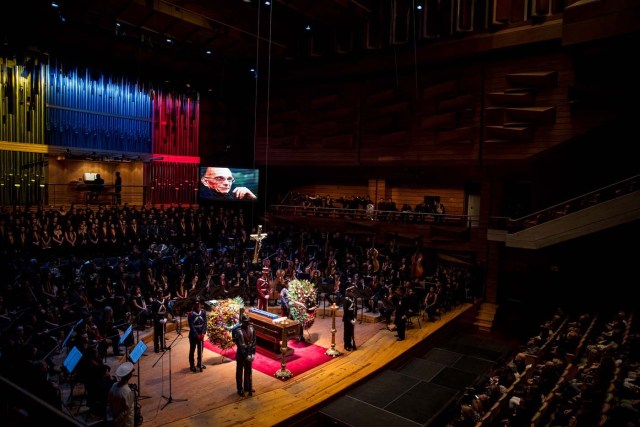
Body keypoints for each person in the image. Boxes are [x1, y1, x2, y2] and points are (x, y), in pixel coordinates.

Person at [232, 312, 256, 397]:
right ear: (242, 322)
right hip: (241, 354)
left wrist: (253, 354)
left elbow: (254, 342)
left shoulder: (252, 328)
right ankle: (240, 389)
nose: (247, 323)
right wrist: (246, 356)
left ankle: (247, 386)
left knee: (248, 371)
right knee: (239, 372)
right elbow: (240, 345)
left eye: (248, 321)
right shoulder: (238, 331)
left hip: (249, 353)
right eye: (245, 322)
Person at [106, 361, 136, 427]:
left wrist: (110, 418)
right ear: (130, 376)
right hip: (125, 422)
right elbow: (126, 411)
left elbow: (109, 403)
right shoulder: (128, 392)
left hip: (114, 417)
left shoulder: (113, 385)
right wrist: (116, 421)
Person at [188, 299, 207, 372]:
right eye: (196, 304)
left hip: (201, 334)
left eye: (198, 304)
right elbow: (191, 326)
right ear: (194, 305)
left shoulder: (203, 312)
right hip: (193, 335)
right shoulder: (191, 314)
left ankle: (200, 363)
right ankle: (192, 365)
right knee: (192, 350)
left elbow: (205, 323)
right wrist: (196, 335)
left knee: (200, 350)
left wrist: (203, 333)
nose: (197, 305)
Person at [151, 288, 167, 353]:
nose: (161, 294)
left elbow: (166, 310)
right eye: (159, 293)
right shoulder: (154, 302)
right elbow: (154, 312)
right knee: (157, 334)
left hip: (163, 319)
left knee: (163, 333)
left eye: (161, 292)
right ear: (157, 294)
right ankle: (156, 347)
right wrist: (158, 320)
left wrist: (166, 318)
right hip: (157, 319)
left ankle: (163, 346)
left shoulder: (164, 300)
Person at [342, 286, 357, 351]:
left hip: (352, 318)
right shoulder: (346, 299)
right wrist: (350, 319)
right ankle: (346, 345)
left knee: (351, 332)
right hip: (347, 319)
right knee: (347, 332)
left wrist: (355, 318)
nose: (352, 293)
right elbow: (345, 310)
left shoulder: (353, 299)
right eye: (351, 292)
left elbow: (355, 309)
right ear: (348, 292)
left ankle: (350, 343)